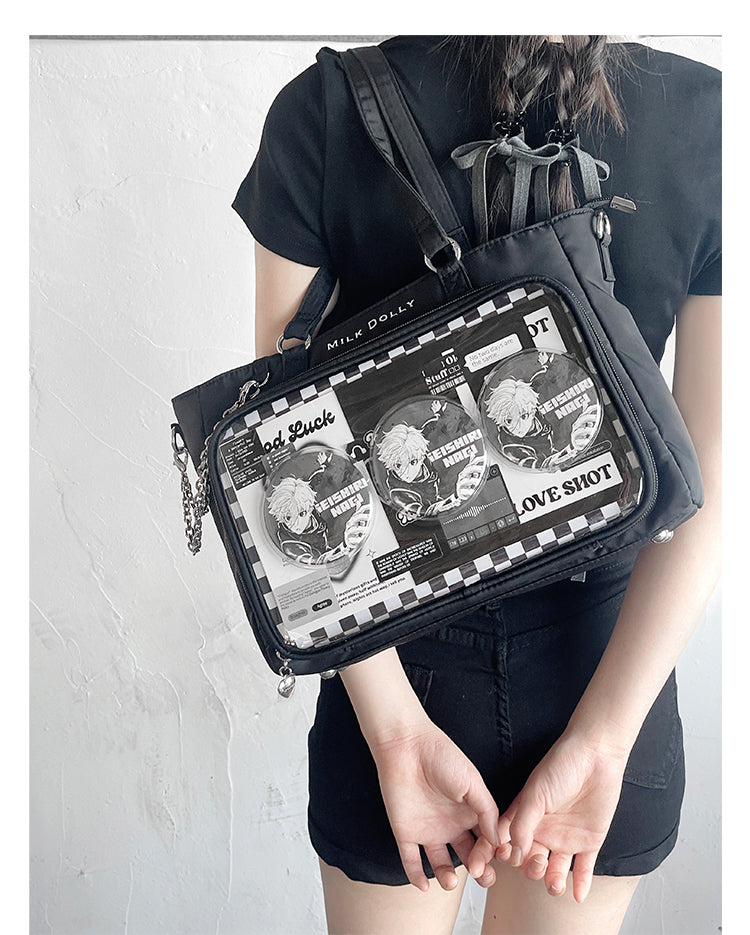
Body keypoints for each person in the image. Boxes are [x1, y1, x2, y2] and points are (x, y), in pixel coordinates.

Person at [232, 36, 721, 934]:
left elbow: (279, 457)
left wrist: (394, 731)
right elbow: (713, 474)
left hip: (390, 657)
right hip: (613, 660)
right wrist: (606, 738)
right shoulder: (710, 116)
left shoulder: (323, 110)